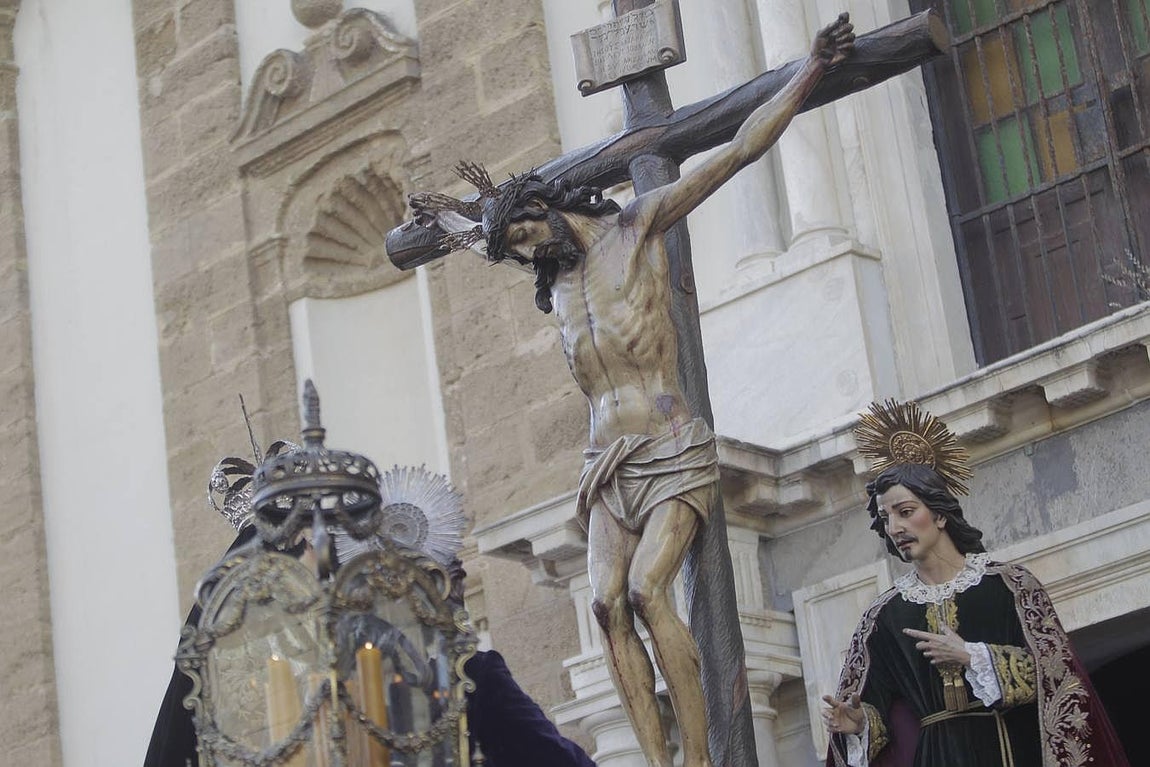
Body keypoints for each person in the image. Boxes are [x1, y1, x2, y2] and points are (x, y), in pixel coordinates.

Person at [409, 16, 855, 767]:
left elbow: (739, 150)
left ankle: (699, 757)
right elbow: (479, 231)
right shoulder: (562, 281)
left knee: (652, 590)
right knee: (605, 602)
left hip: (670, 444)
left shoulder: (636, 230)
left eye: (525, 234)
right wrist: (450, 223)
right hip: (606, 463)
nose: (525, 252)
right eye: (514, 248)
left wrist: (807, 70)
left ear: (549, 208)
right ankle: (657, 759)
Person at [821, 400, 1130, 767]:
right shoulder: (884, 615)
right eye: (886, 519)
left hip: (1011, 750)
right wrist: (859, 724)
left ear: (938, 514)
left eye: (906, 512)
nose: (895, 528)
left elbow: (1057, 679)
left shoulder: (1010, 587)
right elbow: (873, 708)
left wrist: (974, 657)